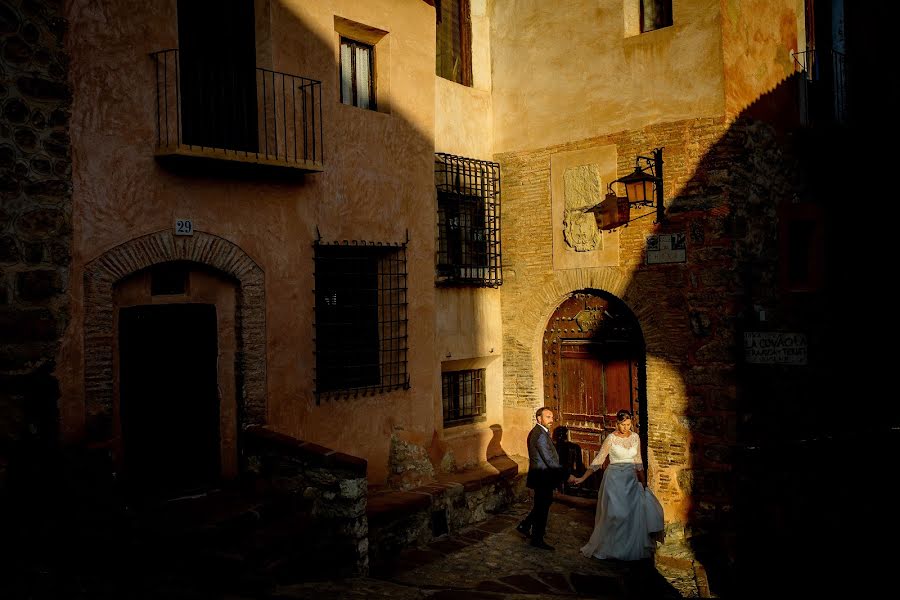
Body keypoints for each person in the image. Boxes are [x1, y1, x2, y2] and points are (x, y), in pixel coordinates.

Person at [572, 409, 664, 560]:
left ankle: (628, 547)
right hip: (614, 480)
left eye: (628, 424)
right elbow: (599, 460)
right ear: (617, 423)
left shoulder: (635, 438)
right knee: (615, 514)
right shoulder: (611, 438)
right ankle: (611, 547)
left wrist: (643, 482)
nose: (625, 427)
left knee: (630, 515)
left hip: (630, 480)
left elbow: (638, 461)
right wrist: (583, 478)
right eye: (622, 424)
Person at [516, 407, 575, 550]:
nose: (551, 420)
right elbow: (549, 460)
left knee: (543, 503)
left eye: (552, 417)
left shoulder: (540, 432)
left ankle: (525, 525)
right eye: (548, 417)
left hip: (543, 476)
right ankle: (537, 538)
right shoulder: (540, 434)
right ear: (539, 418)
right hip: (542, 477)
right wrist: (566, 475)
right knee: (542, 508)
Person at [552, 425, 585, 496]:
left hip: (559, 480)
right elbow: (579, 467)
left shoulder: (552, 447)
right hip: (570, 478)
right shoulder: (575, 447)